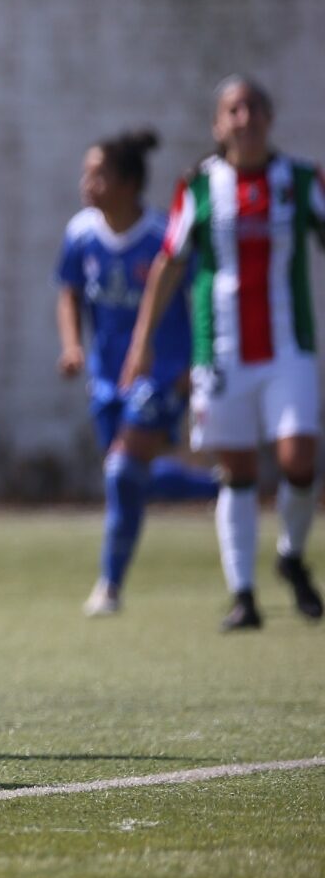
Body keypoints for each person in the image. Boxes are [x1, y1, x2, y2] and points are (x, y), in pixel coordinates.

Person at [124, 75, 324, 630]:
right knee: (235, 469)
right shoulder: (200, 187)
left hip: (289, 348)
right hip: (221, 352)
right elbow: (170, 263)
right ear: (219, 125)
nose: (246, 118)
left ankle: (289, 554)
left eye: (255, 107)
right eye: (234, 110)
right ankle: (244, 595)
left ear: (270, 117)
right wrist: (143, 343)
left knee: (298, 458)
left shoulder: (301, 179)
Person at [55, 130, 221, 617]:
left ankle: (108, 587)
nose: (88, 181)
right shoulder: (81, 233)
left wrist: (197, 361)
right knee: (129, 477)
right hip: (108, 378)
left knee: (124, 470)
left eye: (99, 173)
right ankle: (225, 486)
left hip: (162, 373)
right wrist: (71, 345)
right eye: (87, 172)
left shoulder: (163, 237)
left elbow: (200, 293)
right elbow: (68, 290)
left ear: (128, 183)